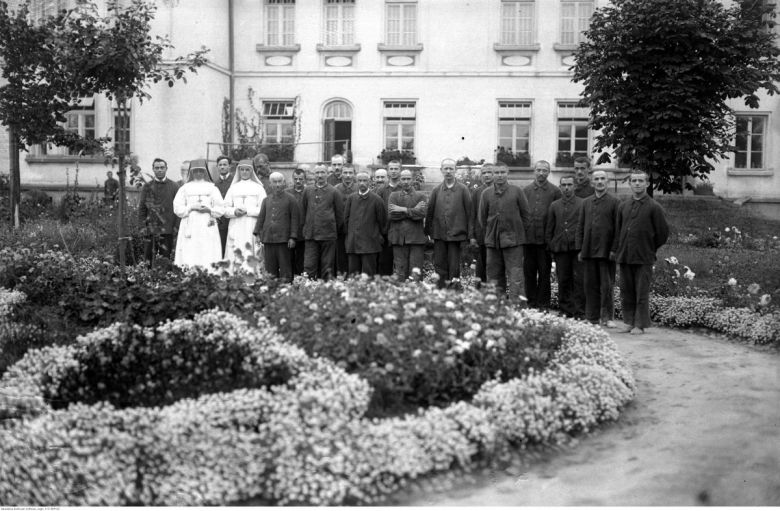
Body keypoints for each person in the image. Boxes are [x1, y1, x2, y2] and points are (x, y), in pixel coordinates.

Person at [615, 171, 670, 335]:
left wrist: (649, 247)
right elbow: (618, 230)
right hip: (625, 255)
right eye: (634, 181)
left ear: (647, 184)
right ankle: (628, 321)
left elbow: (662, 233)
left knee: (641, 291)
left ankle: (640, 324)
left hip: (644, 256)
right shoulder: (623, 206)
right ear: (630, 184)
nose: (637, 184)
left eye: (640, 181)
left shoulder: (654, 207)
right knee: (626, 291)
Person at [478, 162, 531, 302]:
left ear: (508, 173)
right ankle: (496, 308)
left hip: (514, 242)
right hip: (493, 242)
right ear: (493, 174)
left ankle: (517, 308)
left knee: (516, 277)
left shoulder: (517, 191)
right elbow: (482, 219)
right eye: (496, 173)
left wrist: (516, 233)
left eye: (502, 172)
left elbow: (526, 216)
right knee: (494, 277)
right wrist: (491, 233)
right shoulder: (486, 194)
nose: (499, 175)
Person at [577, 170, 620, 327]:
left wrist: (614, 249)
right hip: (588, 250)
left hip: (606, 251)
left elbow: (618, 228)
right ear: (592, 182)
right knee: (590, 285)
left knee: (607, 285)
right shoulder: (586, 202)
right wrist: (580, 248)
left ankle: (607, 317)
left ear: (607, 182)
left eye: (603, 178)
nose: (600, 181)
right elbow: (580, 226)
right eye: (597, 179)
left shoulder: (615, 202)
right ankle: (592, 317)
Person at [424, 158, 475, 288]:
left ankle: (453, 291)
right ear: (441, 170)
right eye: (445, 168)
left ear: (455, 170)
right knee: (439, 264)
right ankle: (441, 290)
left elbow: (470, 213)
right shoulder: (436, 190)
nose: (448, 171)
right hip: (439, 234)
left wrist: (470, 235)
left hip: (456, 234)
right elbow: (430, 211)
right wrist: (428, 232)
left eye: (451, 168)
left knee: (454, 265)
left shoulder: (463, 190)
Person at [172, 159, 225, 271]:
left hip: (207, 224)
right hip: (190, 224)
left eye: (201, 171)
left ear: (205, 172)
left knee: (207, 249)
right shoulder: (184, 188)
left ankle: (210, 274)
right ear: (191, 172)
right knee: (190, 250)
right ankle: (189, 274)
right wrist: (190, 208)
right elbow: (177, 208)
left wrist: (209, 210)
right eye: (195, 171)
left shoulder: (212, 188)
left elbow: (221, 208)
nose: (198, 173)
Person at [523, 160, 562, 309]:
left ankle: (543, 304)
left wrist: (552, 239)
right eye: (538, 170)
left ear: (549, 172)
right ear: (534, 171)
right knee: (529, 274)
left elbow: (558, 215)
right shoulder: (525, 191)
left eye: (544, 170)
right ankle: (530, 303)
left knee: (545, 274)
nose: (541, 173)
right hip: (529, 240)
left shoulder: (555, 191)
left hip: (545, 241)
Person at [546, 175, 585, 319]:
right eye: (564, 185)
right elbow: (550, 228)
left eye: (569, 184)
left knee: (579, 280)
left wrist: (583, 247)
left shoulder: (582, 204)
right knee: (563, 279)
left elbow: (585, 227)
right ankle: (565, 310)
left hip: (577, 248)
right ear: (560, 187)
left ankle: (580, 311)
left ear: (574, 186)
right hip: (560, 248)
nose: (567, 188)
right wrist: (550, 245)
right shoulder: (554, 205)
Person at [223, 159, 267, 272]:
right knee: (235, 251)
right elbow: (224, 208)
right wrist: (234, 212)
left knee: (250, 251)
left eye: (247, 170)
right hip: (236, 225)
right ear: (239, 171)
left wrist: (248, 211)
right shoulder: (233, 188)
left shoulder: (258, 188)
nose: (244, 172)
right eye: (242, 169)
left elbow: (263, 209)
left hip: (251, 226)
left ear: (251, 171)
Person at [302, 164, 344, 280]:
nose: (320, 175)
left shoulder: (334, 192)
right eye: (317, 173)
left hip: (328, 236)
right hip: (311, 235)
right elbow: (304, 210)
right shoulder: (308, 191)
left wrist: (333, 230)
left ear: (327, 174)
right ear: (314, 175)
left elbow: (339, 215)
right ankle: (308, 291)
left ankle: (326, 292)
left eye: (322, 172)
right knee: (309, 266)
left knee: (327, 266)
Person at [254, 172, 298, 282]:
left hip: (284, 240)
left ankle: (286, 290)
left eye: (279, 182)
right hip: (268, 239)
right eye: (274, 182)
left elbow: (295, 219)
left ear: (284, 183)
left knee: (285, 268)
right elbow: (261, 218)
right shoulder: (266, 200)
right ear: (270, 184)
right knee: (270, 269)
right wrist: (258, 233)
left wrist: (293, 237)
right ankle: (271, 290)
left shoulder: (291, 199)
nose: (277, 185)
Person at [344, 171, 387, 277]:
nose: (362, 183)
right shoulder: (351, 198)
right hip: (353, 243)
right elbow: (346, 219)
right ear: (356, 182)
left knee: (368, 275)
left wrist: (377, 236)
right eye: (360, 181)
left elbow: (383, 221)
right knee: (353, 275)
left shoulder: (377, 200)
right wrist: (350, 237)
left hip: (370, 244)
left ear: (369, 182)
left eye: (364, 180)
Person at [138, 158, 180, 265]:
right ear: (153, 169)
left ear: (166, 169)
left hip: (168, 229)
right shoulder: (147, 187)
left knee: (165, 259)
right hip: (150, 229)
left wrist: (176, 226)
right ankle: (147, 279)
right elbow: (142, 208)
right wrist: (142, 226)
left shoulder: (174, 186)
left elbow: (179, 208)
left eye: (162, 167)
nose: (160, 170)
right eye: (157, 168)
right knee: (148, 259)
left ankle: (164, 280)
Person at [388, 169, 428, 281]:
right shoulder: (394, 196)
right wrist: (413, 211)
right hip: (399, 239)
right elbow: (392, 216)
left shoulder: (421, 196)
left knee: (415, 272)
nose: (406, 181)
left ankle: (416, 296)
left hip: (416, 239)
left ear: (413, 180)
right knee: (399, 272)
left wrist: (402, 209)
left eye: (408, 179)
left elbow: (421, 214)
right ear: (400, 180)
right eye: (403, 179)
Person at [376, 162, 402, 276]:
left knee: (401, 263)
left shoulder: (404, 188)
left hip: (401, 231)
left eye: (396, 168)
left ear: (400, 170)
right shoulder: (381, 190)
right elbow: (376, 211)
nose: (394, 171)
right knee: (384, 262)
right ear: (388, 171)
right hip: (385, 231)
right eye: (391, 168)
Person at [471, 164, 494, 285]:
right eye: (484, 173)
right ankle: (480, 290)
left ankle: (494, 290)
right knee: (481, 263)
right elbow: (472, 215)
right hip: (481, 235)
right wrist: (472, 236)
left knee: (494, 264)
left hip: (496, 234)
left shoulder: (499, 190)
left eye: (489, 172)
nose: (487, 175)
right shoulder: (477, 192)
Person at [334, 165, 357, 275]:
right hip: (340, 228)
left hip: (356, 229)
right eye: (345, 173)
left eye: (350, 173)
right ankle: (341, 277)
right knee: (341, 254)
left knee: (354, 254)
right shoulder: (336, 189)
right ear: (341, 174)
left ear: (354, 174)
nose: (348, 176)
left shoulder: (359, 188)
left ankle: (354, 278)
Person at [287, 165, 308, 276]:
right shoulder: (288, 192)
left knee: (302, 258)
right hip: (290, 231)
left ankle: (301, 280)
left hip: (304, 231)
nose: (298, 181)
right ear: (293, 179)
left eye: (300, 179)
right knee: (289, 258)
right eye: (296, 179)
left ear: (304, 179)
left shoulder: (309, 192)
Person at [214, 155, 233, 255]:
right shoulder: (214, 184)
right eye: (220, 165)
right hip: (220, 222)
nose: (222, 167)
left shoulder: (235, 182)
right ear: (217, 167)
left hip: (232, 220)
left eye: (225, 164)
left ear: (230, 166)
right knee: (220, 247)